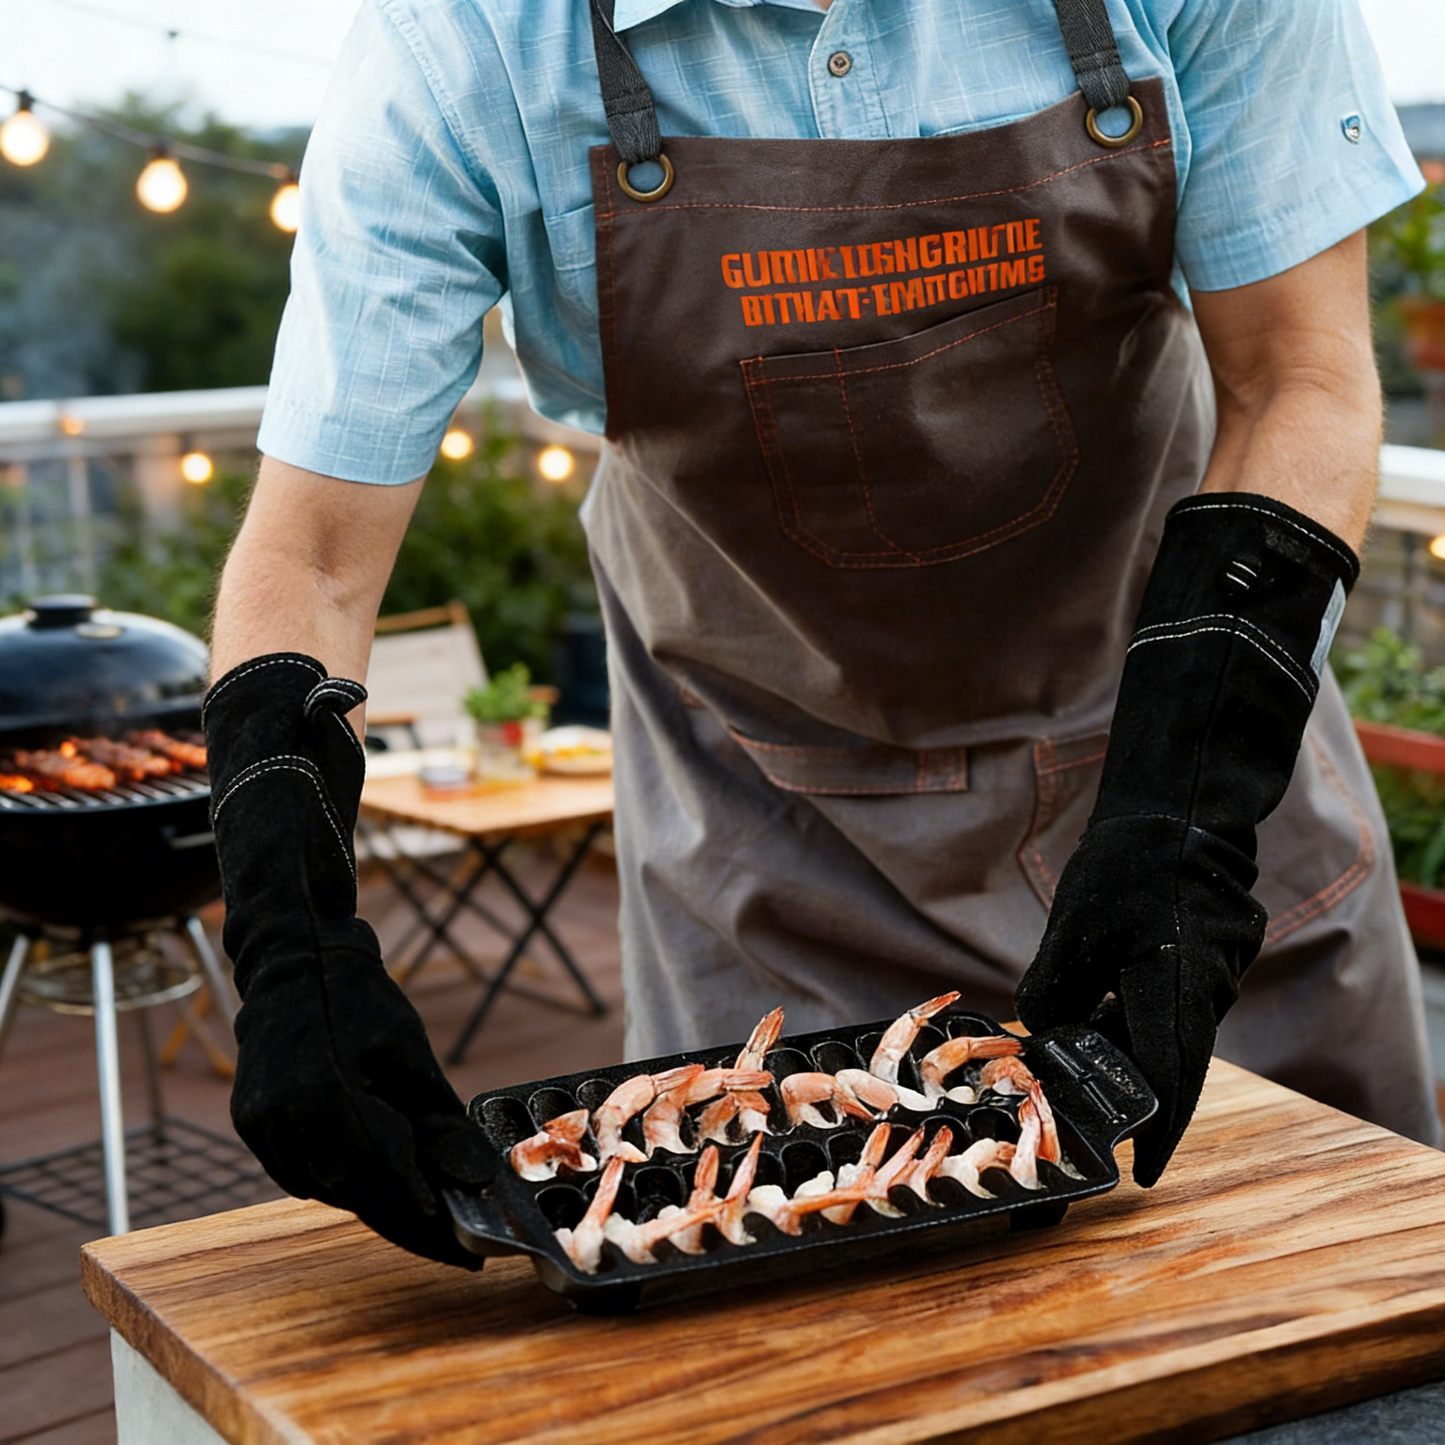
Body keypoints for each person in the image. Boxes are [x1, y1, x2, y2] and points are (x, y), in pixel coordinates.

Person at [204, 0, 1441, 1268]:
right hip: (779, 834)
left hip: (1190, 781)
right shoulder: (453, 45)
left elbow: (1301, 375)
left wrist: (1182, 820)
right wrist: (288, 932)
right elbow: (313, 551)